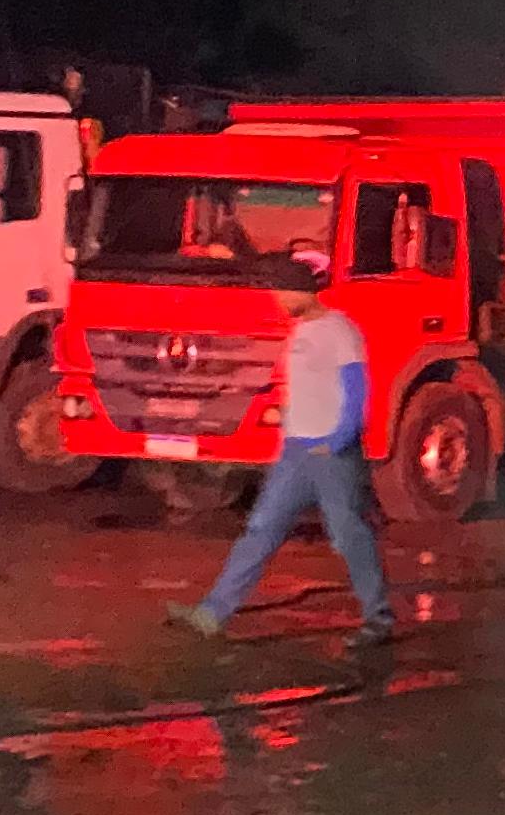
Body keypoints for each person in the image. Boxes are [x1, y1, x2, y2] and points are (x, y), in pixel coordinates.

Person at [167, 257, 393, 647]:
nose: (277, 300)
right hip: (296, 453)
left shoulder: (339, 330)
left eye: (280, 292)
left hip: (329, 455)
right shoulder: (301, 331)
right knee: (261, 530)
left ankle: (379, 617)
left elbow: (357, 390)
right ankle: (212, 614)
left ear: (300, 292)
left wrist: (338, 439)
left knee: (347, 533)